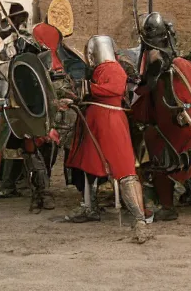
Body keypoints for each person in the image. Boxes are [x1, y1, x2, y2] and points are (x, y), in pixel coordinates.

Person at [132, 12, 191, 220]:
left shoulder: (164, 62)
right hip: (163, 121)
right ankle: (170, 206)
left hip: (175, 120)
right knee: (164, 163)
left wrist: (138, 82)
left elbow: (146, 87)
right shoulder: (176, 63)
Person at [63, 35, 151, 243]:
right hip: (96, 123)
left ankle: (140, 221)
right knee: (88, 165)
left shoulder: (113, 68)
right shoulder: (103, 70)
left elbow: (114, 89)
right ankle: (89, 207)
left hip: (110, 124)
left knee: (124, 169)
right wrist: (76, 97)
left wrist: (87, 88)